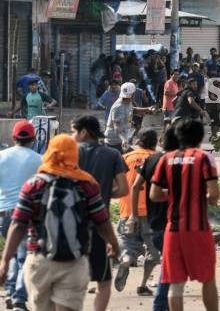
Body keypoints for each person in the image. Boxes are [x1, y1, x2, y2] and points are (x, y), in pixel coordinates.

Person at [0, 135, 120, 311]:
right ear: (74, 155)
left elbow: (18, 224)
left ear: (49, 154)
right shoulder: (87, 184)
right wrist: (113, 244)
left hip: (39, 261)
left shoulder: (33, 185)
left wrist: (5, 260)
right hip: (74, 261)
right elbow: (102, 221)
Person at [150, 119, 220, 311]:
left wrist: (174, 193)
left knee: (175, 283)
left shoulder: (166, 159)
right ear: (200, 137)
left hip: (172, 229)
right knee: (207, 278)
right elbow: (214, 195)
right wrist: (199, 195)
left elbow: (154, 195)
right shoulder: (203, 158)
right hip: (198, 228)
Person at [71, 115, 129, 311]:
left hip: (69, 224)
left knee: (68, 279)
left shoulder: (69, 152)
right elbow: (123, 189)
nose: (72, 136)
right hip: (99, 225)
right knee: (103, 281)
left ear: (84, 132)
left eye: (73, 131)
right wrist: (102, 193)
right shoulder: (112, 154)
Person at [130, 128, 178, 311]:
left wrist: (134, 215)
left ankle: (162, 302)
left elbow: (135, 188)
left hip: (153, 221)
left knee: (169, 262)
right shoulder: (177, 162)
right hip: (173, 221)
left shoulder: (152, 159)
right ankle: (160, 304)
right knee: (171, 265)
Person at [0, 122, 42, 311]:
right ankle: (18, 297)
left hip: (5, 214)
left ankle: (11, 292)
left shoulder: (1, 157)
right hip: (29, 214)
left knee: (14, 254)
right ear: (33, 139)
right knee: (24, 257)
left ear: (13, 138)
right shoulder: (40, 160)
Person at [114, 130, 161, 296]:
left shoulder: (125, 158)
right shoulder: (156, 159)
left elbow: (116, 184)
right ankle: (142, 284)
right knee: (153, 250)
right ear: (155, 142)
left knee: (128, 243)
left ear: (137, 140)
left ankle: (126, 259)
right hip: (152, 213)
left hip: (127, 210)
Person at [104, 82, 155, 152]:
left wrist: (147, 109)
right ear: (133, 94)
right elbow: (117, 127)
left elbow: (132, 110)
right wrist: (124, 139)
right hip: (114, 142)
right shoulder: (118, 107)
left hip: (122, 139)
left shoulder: (127, 101)